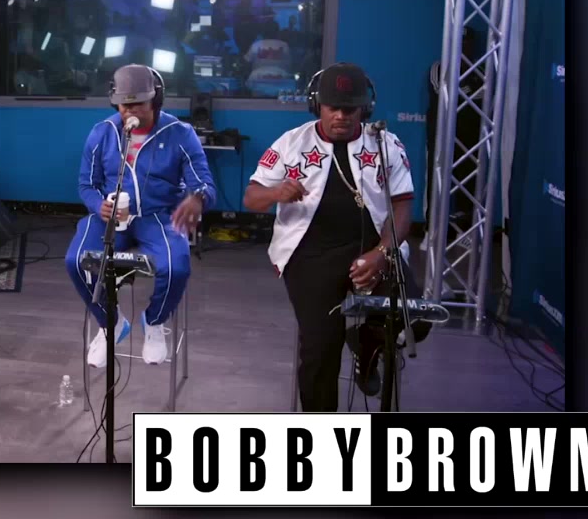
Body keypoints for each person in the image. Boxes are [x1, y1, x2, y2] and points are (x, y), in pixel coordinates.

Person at [242, 62, 418, 412]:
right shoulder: (292, 143)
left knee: (415, 315)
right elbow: (251, 197)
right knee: (321, 349)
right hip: (310, 255)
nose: (341, 116)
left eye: (350, 109)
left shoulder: (385, 144)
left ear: (365, 108)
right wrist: (276, 193)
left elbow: (402, 205)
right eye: (332, 107)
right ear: (316, 105)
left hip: (372, 247)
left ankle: (366, 346)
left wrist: (382, 252)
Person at [65, 64, 216, 367]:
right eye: (124, 105)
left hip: (159, 215)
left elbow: (205, 184)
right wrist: (98, 205)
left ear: (156, 100)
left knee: (176, 267)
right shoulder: (102, 133)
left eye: (138, 104)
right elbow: (86, 185)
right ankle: (110, 322)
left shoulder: (180, 133)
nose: (130, 110)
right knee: (76, 260)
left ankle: (154, 321)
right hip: (110, 217)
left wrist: (197, 199)